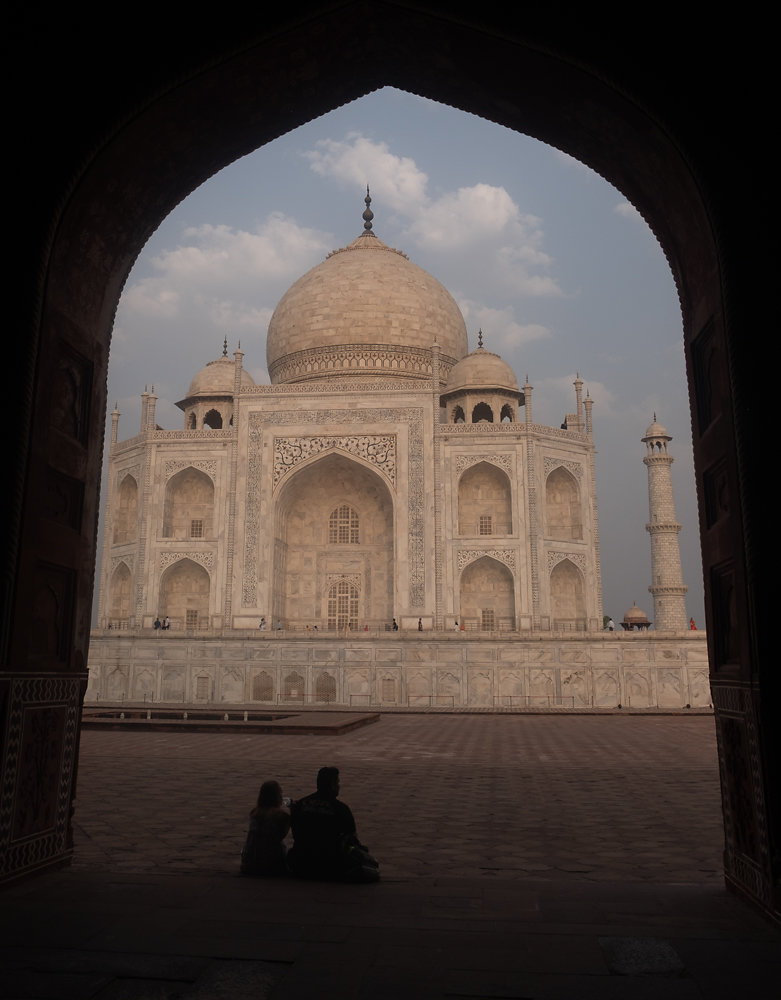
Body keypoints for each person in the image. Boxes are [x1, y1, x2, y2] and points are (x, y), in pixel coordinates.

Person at [287, 767, 379, 882]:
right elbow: (352, 839)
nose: (339, 786)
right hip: (330, 864)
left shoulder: (301, 804)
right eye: (337, 782)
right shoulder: (341, 809)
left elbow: (296, 833)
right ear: (332, 785)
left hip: (301, 862)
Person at [240, 780, 291, 877]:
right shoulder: (282, 816)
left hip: (249, 863)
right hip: (271, 865)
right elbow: (280, 836)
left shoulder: (254, 812)